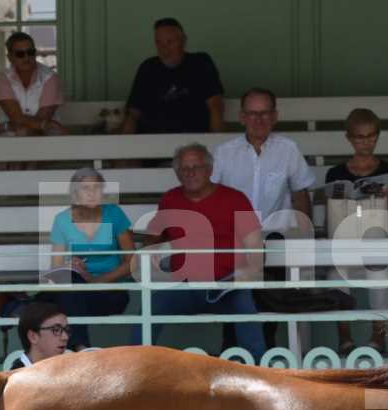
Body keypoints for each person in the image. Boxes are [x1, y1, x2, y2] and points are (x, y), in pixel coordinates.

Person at [144, 143, 267, 361]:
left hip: (226, 285)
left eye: (197, 167)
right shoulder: (170, 199)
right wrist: (151, 248)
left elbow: (255, 244)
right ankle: (135, 365)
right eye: (184, 168)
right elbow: (153, 234)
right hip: (185, 285)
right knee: (148, 311)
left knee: (246, 312)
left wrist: (251, 270)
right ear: (177, 173)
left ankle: (259, 369)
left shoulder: (234, 198)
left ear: (209, 170)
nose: (191, 173)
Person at [47, 167, 135, 350]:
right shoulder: (62, 220)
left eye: (96, 187)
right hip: (77, 292)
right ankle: (82, 348)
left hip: (110, 293)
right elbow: (55, 269)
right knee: (69, 285)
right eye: (85, 188)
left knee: (67, 301)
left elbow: (132, 261)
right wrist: (69, 265)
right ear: (74, 193)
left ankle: (79, 349)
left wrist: (96, 280)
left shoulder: (114, 213)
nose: (92, 193)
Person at [211, 88, 315, 230]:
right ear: (242, 117)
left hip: (277, 238)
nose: (258, 120)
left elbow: (300, 196)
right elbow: (211, 196)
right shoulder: (224, 153)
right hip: (235, 237)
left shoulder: (288, 149)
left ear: (274, 117)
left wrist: (305, 239)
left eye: (264, 113)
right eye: (252, 114)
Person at [122, 17, 225, 135]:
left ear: (183, 41)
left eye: (170, 42)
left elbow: (215, 105)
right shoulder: (148, 68)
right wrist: (123, 146)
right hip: (152, 141)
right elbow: (133, 113)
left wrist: (216, 144)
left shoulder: (200, 63)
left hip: (193, 142)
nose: (164, 49)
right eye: (158, 42)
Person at [323, 108, 388, 215]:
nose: (366, 141)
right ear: (349, 138)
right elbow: (329, 220)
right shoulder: (335, 174)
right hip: (347, 230)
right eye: (360, 137)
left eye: (371, 135)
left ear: (378, 135)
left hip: (380, 229)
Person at [0, 32, 64, 137]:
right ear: (10, 57)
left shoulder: (50, 78)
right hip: (11, 142)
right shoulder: (3, 79)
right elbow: (17, 118)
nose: (26, 58)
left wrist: (4, 126)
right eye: (20, 54)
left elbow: (42, 119)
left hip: (46, 141)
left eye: (30, 52)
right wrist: (45, 125)